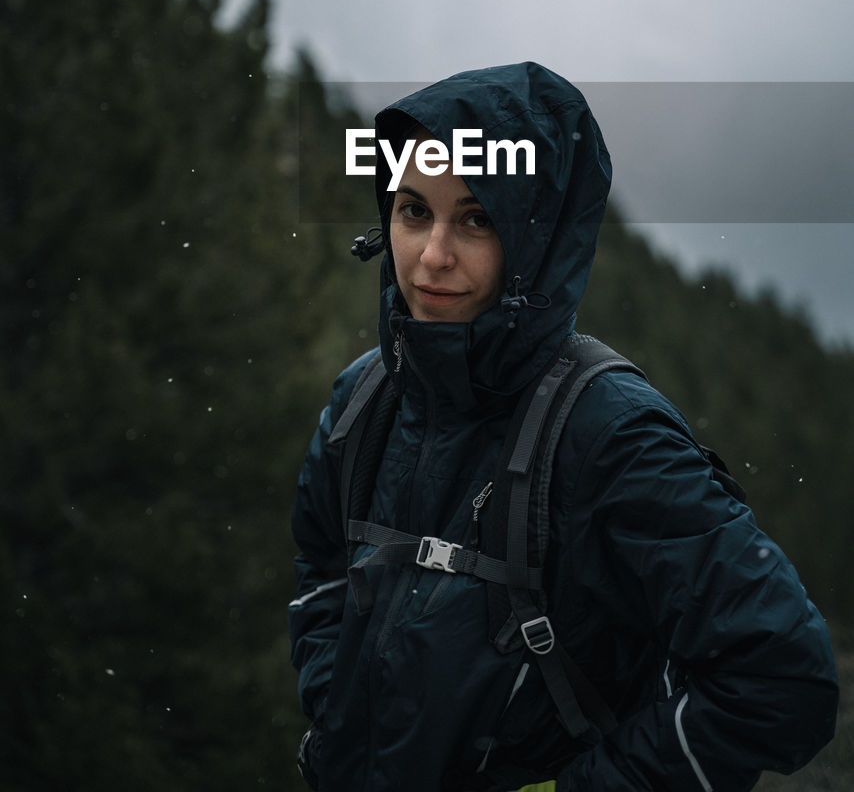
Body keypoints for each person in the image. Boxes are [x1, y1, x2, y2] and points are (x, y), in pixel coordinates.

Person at [289, 62, 838, 792]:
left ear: (537, 240)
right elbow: (321, 573)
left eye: (477, 217)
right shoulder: (364, 399)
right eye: (414, 210)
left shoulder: (612, 436)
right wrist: (337, 716)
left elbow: (782, 682)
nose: (432, 255)